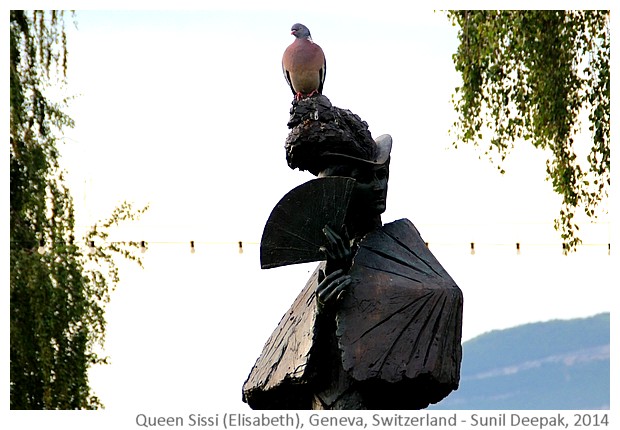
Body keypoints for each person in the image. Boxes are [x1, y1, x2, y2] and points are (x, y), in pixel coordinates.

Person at [242, 133, 463, 410]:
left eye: (382, 175)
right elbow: (287, 371)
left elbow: (444, 293)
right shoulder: (325, 266)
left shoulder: (400, 243)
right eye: (365, 178)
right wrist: (324, 308)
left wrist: (362, 293)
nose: (379, 186)